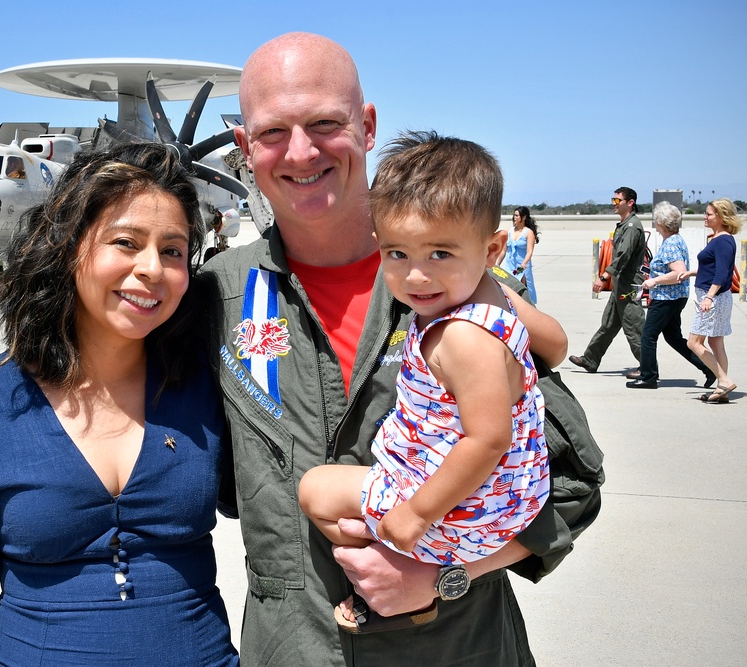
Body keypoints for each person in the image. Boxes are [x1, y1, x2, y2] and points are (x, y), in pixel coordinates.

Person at [199, 32, 602, 666]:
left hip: (453, 646)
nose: (300, 151)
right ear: (246, 149)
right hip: (290, 649)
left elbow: (571, 483)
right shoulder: (217, 297)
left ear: (366, 125)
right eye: (273, 132)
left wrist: (443, 575)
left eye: (325, 123)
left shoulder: (460, 293)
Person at [0, 143, 239, 666]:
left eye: (173, 250)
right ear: (67, 248)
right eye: (126, 242)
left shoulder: (209, 387)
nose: (152, 268)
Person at [296, 132, 564, 631]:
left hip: (465, 507)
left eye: (440, 253)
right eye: (398, 254)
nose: (417, 277)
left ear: (492, 248)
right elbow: (559, 344)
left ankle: (392, 572)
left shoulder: (462, 337)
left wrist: (417, 514)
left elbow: (488, 439)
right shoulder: (498, 298)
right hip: (506, 497)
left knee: (315, 490)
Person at [625, 201, 714, 389]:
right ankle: (710, 369)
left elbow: (678, 273)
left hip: (667, 298)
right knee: (673, 337)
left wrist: (654, 281)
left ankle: (648, 376)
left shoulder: (671, 243)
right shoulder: (675, 240)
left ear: (661, 223)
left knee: (648, 336)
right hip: (675, 297)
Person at [569, 187, 645, 372]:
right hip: (620, 285)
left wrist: (603, 277)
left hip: (629, 285)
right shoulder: (623, 225)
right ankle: (590, 359)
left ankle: (648, 366)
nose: (614, 203)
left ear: (630, 203)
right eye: (613, 199)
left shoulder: (632, 227)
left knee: (634, 327)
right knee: (608, 324)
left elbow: (623, 256)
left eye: (618, 200)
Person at [679, 198, 741, 403]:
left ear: (722, 217)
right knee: (716, 343)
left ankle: (723, 380)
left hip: (713, 299)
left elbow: (723, 273)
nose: (705, 217)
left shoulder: (723, 240)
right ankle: (722, 390)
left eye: (709, 214)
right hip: (716, 297)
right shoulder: (719, 239)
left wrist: (708, 297)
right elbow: (711, 268)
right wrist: (691, 273)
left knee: (693, 342)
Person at [497, 205, 540, 303]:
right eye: (514, 215)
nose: (514, 217)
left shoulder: (529, 233)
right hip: (509, 265)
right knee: (509, 290)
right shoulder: (510, 231)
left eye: (517, 215)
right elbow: (504, 250)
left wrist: (524, 263)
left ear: (524, 217)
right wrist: (497, 264)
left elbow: (529, 251)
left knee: (521, 290)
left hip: (521, 267)